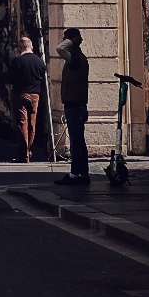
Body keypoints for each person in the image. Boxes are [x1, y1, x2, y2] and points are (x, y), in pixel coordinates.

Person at [55, 27, 90, 184]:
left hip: (75, 105)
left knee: (76, 141)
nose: (64, 41)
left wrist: (71, 41)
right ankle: (83, 173)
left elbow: (59, 48)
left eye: (66, 38)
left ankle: (75, 174)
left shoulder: (75, 59)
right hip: (78, 104)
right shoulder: (77, 58)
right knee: (79, 140)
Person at [6, 35, 47, 163]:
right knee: (32, 124)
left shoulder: (17, 61)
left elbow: (10, 78)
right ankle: (29, 150)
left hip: (20, 94)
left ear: (20, 47)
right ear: (31, 46)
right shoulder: (40, 61)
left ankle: (24, 154)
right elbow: (43, 77)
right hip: (35, 95)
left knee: (22, 124)